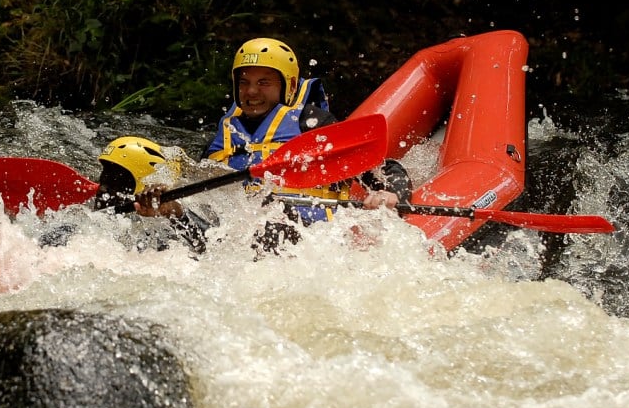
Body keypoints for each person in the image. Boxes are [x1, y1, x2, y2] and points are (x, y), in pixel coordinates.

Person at [136, 37, 411, 255]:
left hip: (310, 245)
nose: (252, 92)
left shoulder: (312, 124)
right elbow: (210, 228)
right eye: (244, 82)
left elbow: (385, 169)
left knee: (272, 226)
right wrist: (174, 210)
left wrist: (389, 194)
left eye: (263, 82)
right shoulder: (221, 142)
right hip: (239, 250)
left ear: (288, 86)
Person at [39, 136, 218, 255]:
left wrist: (175, 212)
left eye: (118, 181)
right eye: (105, 177)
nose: (102, 189)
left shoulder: (164, 243)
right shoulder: (74, 227)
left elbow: (218, 250)